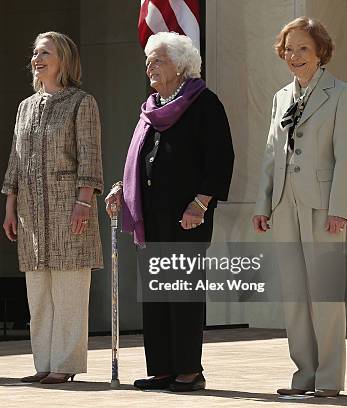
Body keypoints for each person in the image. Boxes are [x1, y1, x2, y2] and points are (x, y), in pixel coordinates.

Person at [105, 32, 234, 392]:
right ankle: (162, 369)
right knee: (158, 295)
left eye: (158, 59)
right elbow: (141, 162)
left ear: (181, 66)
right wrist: (122, 190)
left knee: (183, 294)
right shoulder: (151, 108)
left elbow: (221, 159)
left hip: (187, 217)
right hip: (153, 216)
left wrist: (201, 203)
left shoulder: (204, 103)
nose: (150, 65)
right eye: (148, 59)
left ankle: (189, 371)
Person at [252, 17, 347, 398]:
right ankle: (304, 377)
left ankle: (329, 380)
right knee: (295, 296)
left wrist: (339, 209)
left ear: (320, 52)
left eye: (303, 49)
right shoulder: (281, 96)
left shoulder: (341, 94)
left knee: (325, 296)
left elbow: (346, 157)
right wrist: (264, 202)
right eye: (289, 49)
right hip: (284, 205)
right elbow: (270, 154)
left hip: (323, 207)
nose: (294, 56)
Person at [2, 31, 103, 384]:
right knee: (39, 296)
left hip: (70, 209)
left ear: (64, 60)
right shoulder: (25, 107)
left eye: (45, 52)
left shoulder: (81, 102)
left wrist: (83, 202)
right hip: (31, 214)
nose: (37, 58)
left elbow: (90, 159)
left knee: (69, 293)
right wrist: (10, 206)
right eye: (35, 53)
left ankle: (66, 364)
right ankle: (43, 363)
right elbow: (15, 160)